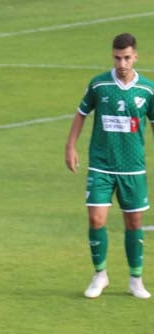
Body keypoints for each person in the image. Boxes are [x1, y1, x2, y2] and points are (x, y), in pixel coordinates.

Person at [66, 33, 154, 299]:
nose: (122, 63)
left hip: (133, 168)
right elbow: (81, 114)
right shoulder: (99, 85)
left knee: (134, 222)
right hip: (101, 165)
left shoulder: (147, 90)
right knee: (95, 218)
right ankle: (100, 275)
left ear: (135, 57)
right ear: (112, 56)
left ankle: (135, 279)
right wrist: (70, 146)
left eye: (127, 57)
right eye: (117, 57)